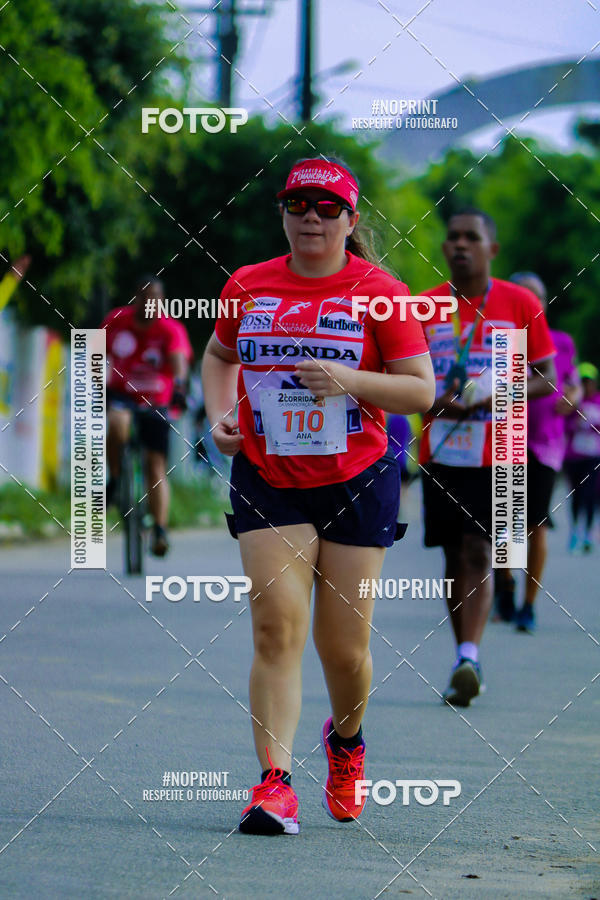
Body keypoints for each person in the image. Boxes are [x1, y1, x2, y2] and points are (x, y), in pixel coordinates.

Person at [201, 157, 435, 835]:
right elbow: (220, 356)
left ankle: (348, 743)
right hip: (270, 477)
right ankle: (274, 786)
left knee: (345, 650)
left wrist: (349, 379)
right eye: (299, 205)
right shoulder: (247, 285)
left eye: (327, 208)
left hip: (358, 479)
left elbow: (420, 390)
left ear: (350, 219)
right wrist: (220, 417)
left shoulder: (380, 291)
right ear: (282, 213)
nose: (311, 217)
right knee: (275, 629)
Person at [418, 210, 556, 706]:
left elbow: (547, 377)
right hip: (442, 450)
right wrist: (435, 400)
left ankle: (470, 657)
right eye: (452, 237)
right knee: (455, 553)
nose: (460, 245)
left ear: (491, 249)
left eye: (471, 237)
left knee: (482, 551)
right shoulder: (424, 307)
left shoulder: (519, 303)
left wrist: (500, 394)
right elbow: (403, 377)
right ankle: (464, 652)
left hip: (503, 449)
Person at [493, 273, 581, 633]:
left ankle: (528, 603)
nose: (532, 303)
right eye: (524, 296)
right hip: (503, 439)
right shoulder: (501, 341)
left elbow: (572, 382)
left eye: (538, 297)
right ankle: (506, 586)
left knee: (535, 525)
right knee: (505, 523)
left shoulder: (560, 342)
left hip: (545, 444)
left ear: (544, 304)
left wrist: (572, 397)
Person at [102, 276, 192, 556]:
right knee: (116, 424)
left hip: (157, 399)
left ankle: (160, 530)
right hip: (122, 394)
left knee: (155, 465)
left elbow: (179, 363)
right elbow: (96, 355)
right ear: (135, 297)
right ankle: (116, 479)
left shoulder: (170, 329)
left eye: (155, 298)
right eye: (144, 297)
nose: (149, 303)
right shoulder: (116, 321)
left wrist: (178, 388)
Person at [564, 363, 600, 553]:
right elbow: (565, 426)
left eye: (589, 382)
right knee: (577, 494)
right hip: (574, 456)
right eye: (583, 382)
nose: (586, 386)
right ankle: (575, 530)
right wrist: (577, 421)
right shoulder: (573, 401)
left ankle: (588, 532)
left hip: (593, 456)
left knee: (591, 494)